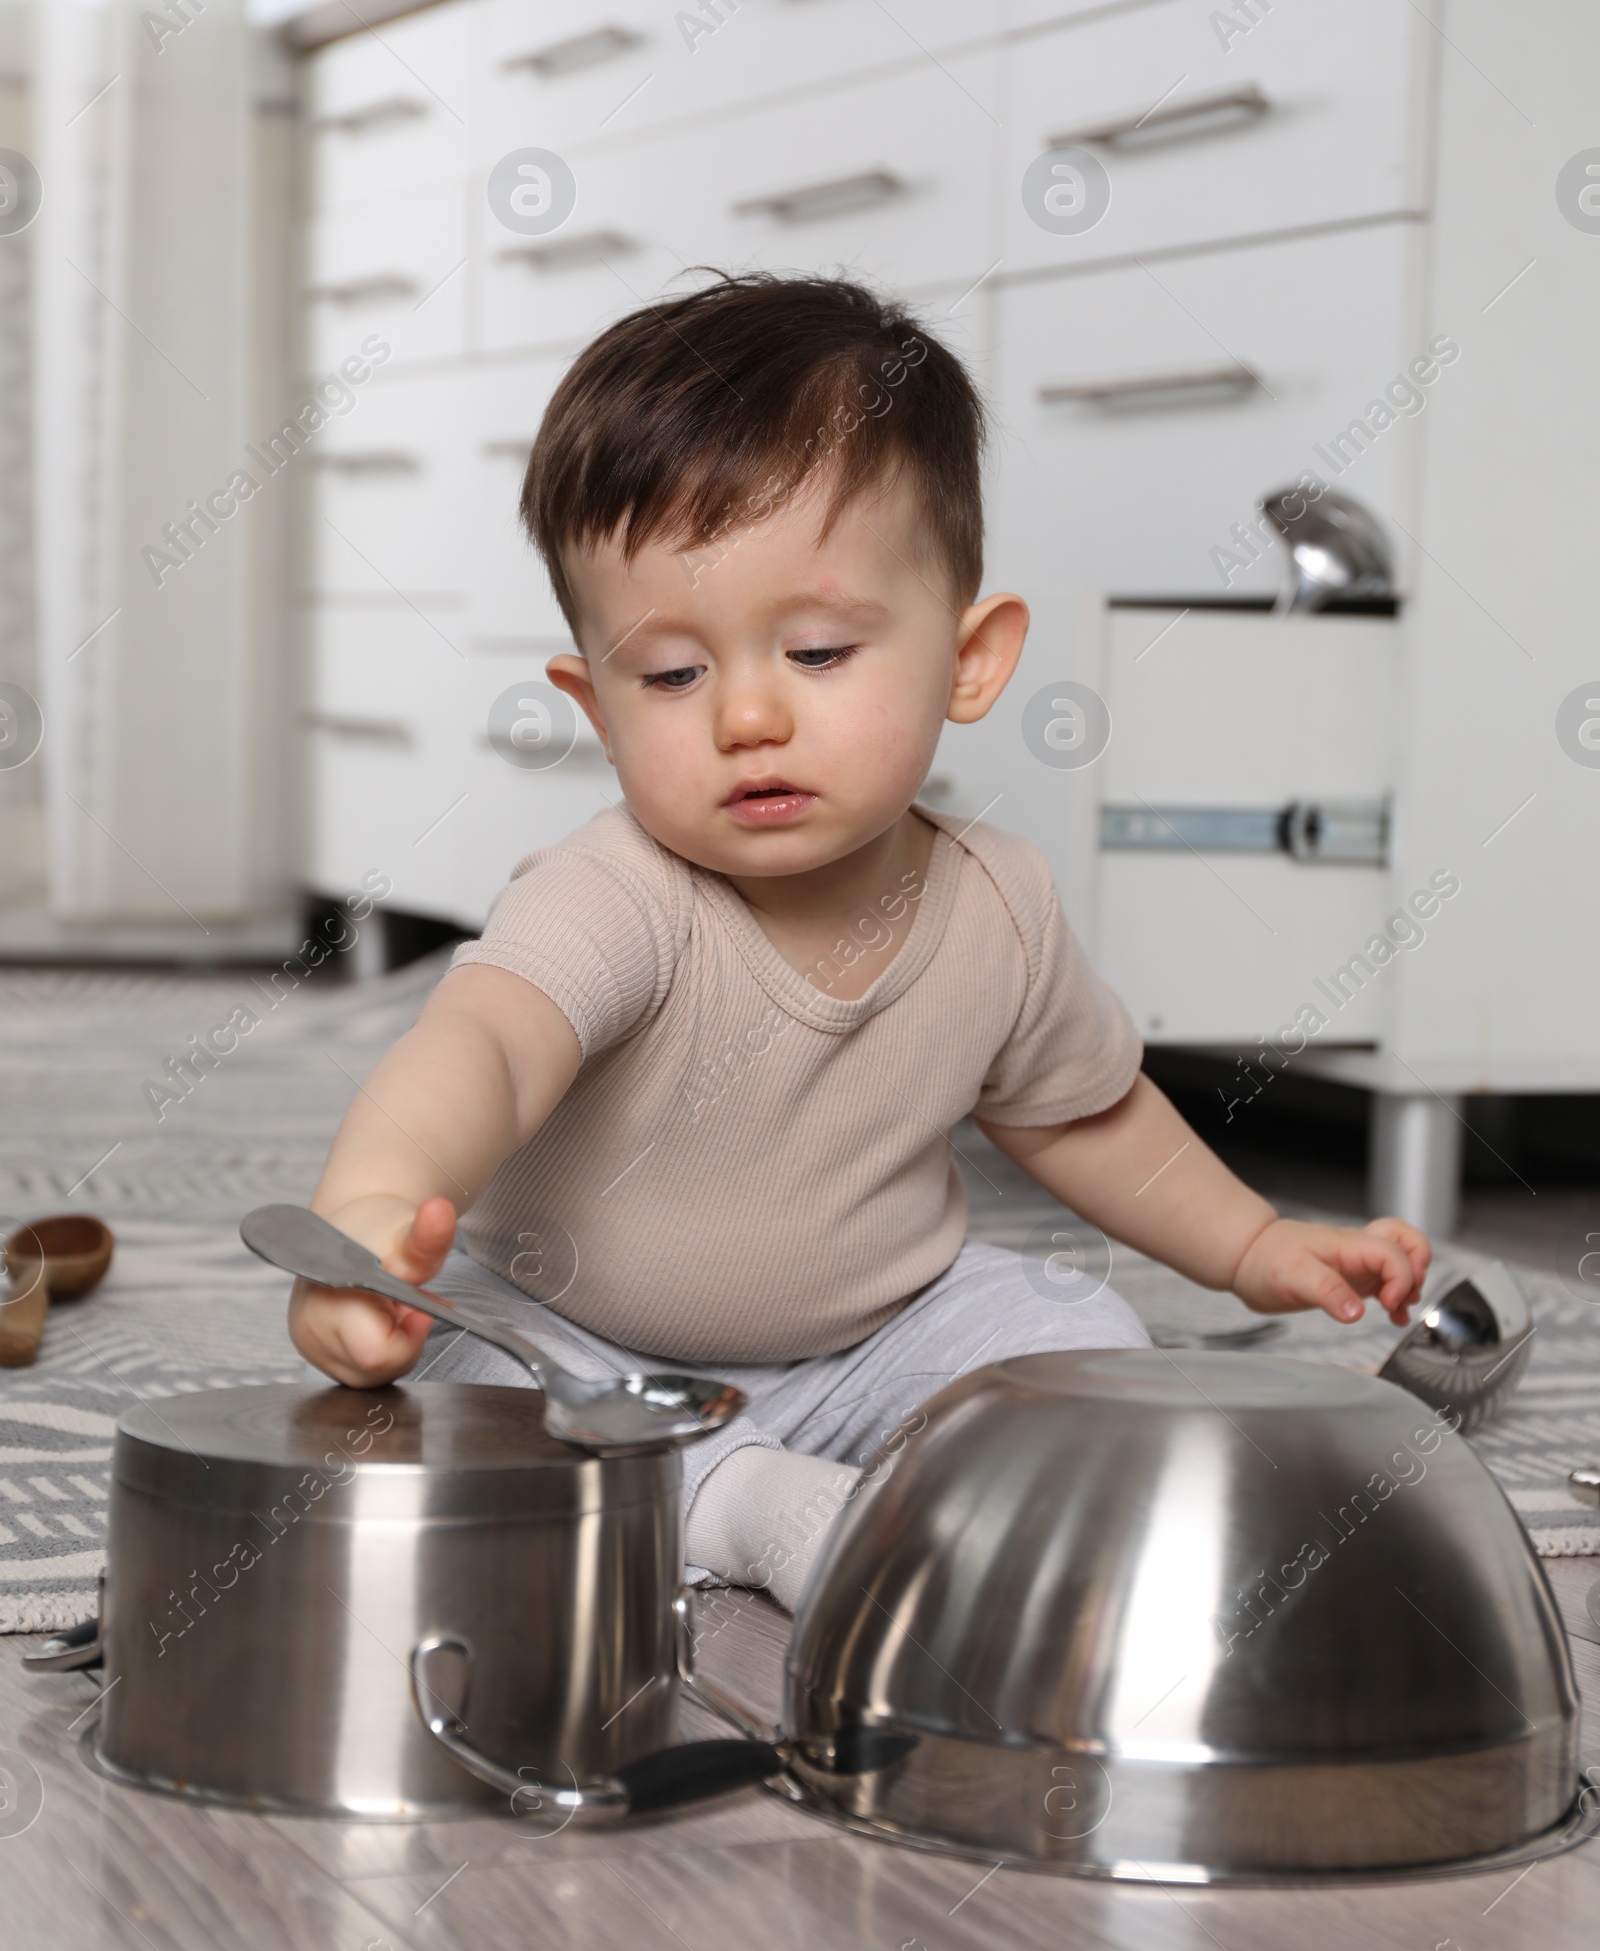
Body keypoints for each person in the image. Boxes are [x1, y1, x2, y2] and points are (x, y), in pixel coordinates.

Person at [289, 275, 1429, 1609]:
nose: (749, 716)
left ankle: (955, 1477)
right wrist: (371, 1217)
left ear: (970, 660)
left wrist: (1248, 1246)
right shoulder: (617, 893)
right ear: (595, 708)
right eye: (671, 676)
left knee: (1075, 1332)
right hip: (586, 1344)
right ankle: (751, 1504)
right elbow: (482, 1044)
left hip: (875, 1343)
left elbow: (1084, 1116)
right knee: (468, 1371)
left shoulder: (997, 904)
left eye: (821, 652)